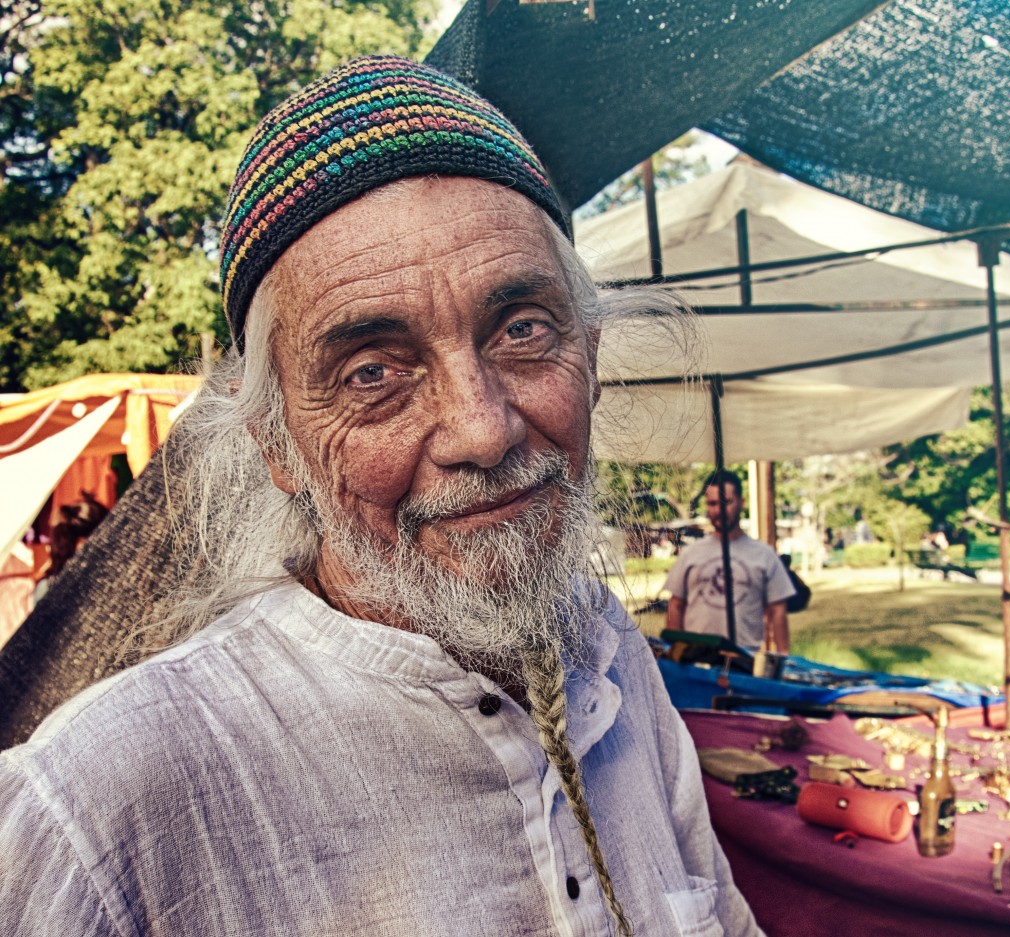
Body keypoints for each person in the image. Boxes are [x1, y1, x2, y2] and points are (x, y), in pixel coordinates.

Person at [0, 57, 759, 937]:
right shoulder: (99, 805)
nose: (483, 430)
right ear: (277, 444)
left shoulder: (605, 644)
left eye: (522, 329)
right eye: (373, 373)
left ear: (589, 358)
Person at [663, 470, 794, 655]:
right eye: (712, 503)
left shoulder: (764, 555)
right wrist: (673, 654)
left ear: (742, 502)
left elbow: (778, 610)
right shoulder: (690, 554)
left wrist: (782, 657)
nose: (719, 510)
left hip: (744, 659)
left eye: (726, 502)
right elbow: (676, 605)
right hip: (695, 658)